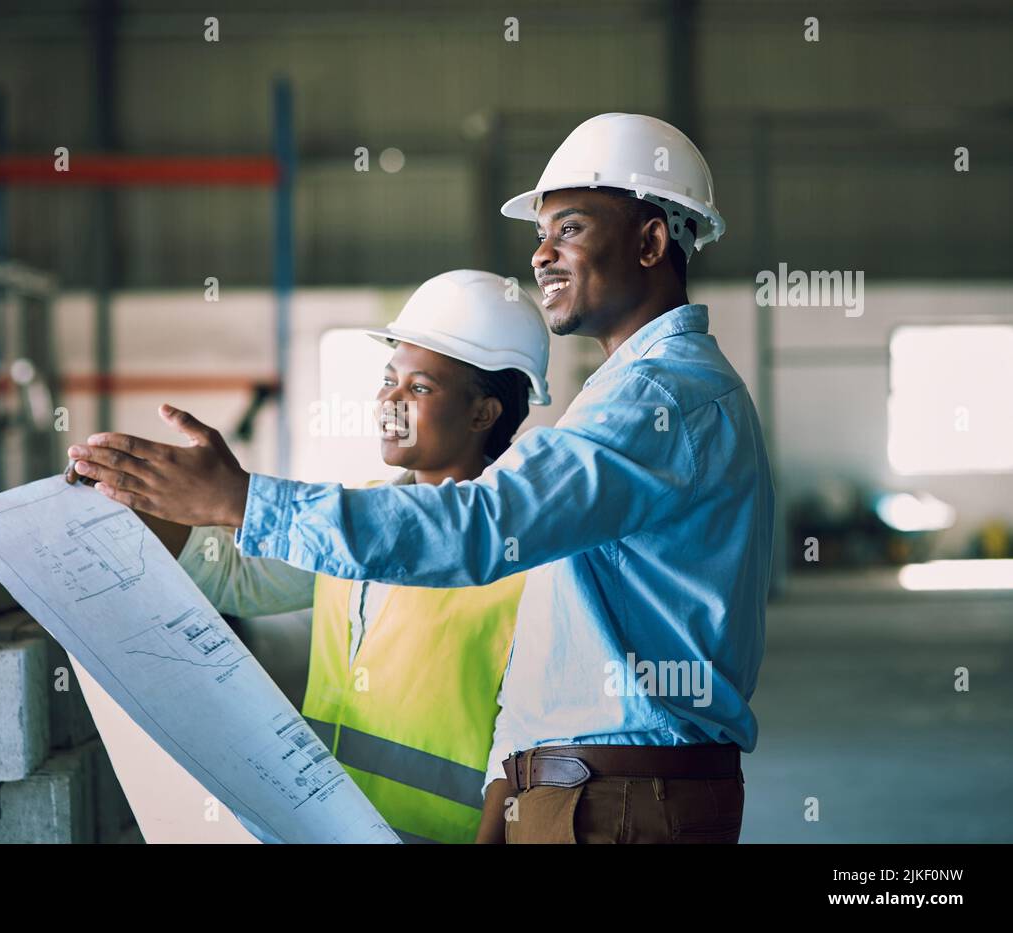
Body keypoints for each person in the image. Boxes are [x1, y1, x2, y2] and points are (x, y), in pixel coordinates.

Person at [69, 113, 776, 844]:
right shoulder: (621, 398)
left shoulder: (657, 400)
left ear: (652, 241)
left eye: (567, 228)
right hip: (567, 793)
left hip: (611, 799)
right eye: (541, 235)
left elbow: (477, 527)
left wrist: (242, 498)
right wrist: (515, 772)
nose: (541, 256)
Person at [121, 269, 552, 844]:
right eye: (388, 380)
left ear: (483, 413)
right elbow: (235, 577)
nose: (391, 401)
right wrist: (132, 498)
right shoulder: (354, 518)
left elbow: (527, 741)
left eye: (420, 388)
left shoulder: (526, 558)